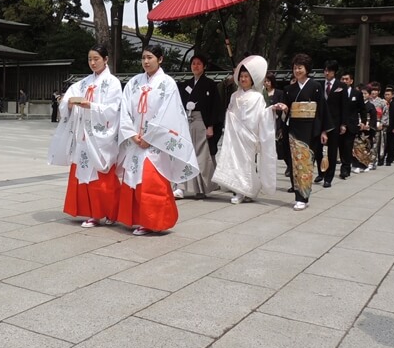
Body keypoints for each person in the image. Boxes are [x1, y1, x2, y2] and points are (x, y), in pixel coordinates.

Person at [116, 45, 198, 235]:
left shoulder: (167, 83)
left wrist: (150, 137)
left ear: (160, 59)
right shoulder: (134, 83)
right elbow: (125, 110)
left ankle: (154, 221)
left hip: (156, 143)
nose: (146, 61)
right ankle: (137, 218)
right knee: (133, 179)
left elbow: (167, 114)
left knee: (152, 180)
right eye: (143, 57)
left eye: (150, 57)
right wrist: (131, 134)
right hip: (136, 140)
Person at [48, 45, 122, 228]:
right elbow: (67, 100)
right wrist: (69, 103)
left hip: (100, 137)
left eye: (96, 58)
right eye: (90, 59)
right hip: (83, 136)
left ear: (105, 59)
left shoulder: (112, 83)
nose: (93, 62)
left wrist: (92, 106)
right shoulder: (83, 83)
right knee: (84, 175)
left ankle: (112, 212)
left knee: (104, 176)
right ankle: (93, 213)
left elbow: (114, 110)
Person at [212, 55, 278, 204]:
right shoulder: (234, 95)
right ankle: (241, 191)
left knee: (247, 163)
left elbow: (261, 115)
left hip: (248, 135)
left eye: (246, 76)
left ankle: (247, 190)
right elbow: (230, 112)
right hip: (236, 135)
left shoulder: (258, 97)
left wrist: (271, 110)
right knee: (236, 162)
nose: (243, 79)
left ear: (252, 79)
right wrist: (231, 117)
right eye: (241, 76)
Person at [280, 53, 331, 211]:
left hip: (311, 128)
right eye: (295, 68)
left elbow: (321, 109)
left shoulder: (315, 86)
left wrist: (324, 131)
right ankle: (299, 196)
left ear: (307, 69)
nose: (297, 70)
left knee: (306, 163)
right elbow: (286, 112)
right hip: (294, 128)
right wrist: (283, 109)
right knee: (296, 163)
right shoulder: (289, 89)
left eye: (300, 67)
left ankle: (304, 196)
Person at [175, 52, 222, 199]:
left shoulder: (210, 85)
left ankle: (201, 188)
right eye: (193, 63)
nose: (195, 66)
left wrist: (211, 125)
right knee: (185, 154)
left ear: (204, 67)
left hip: (202, 122)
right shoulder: (186, 84)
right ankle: (181, 187)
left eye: (198, 64)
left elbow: (215, 107)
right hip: (187, 121)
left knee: (201, 156)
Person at [314, 60, 346, 187]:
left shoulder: (341, 86)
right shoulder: (318, 85)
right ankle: (321, 172)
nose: (326, 73)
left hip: (334, 122)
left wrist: (343, 123)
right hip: (319, 121)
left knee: (332, 150)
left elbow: (344, 106)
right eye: (325, 70)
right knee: (318, 150)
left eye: (329, 71)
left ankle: (329, 177)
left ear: (334, 72)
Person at [338, 71, 363, 179]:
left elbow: (362, 109)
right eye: (342, 79)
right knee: (340, 147)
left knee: (348, 147)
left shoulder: (356, 93)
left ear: (351, 81)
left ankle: (345, 169)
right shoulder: (337, 92)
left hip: (352, 124)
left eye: (346, 79)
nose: (344, 81)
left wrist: (363, 121)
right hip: (339, 124)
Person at [264, 71, 288, 169]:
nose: (267, 83)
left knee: (280, 144)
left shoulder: (279, 93)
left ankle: (288, 165)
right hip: (265, 121)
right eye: (265, 81)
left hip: (277, 120)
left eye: (269, 81)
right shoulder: (261, 93)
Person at [351, 84, 376, 173]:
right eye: (362, 93)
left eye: (365, 93)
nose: (363, 95)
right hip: (357, 127)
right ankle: (355, 164)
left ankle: (365, 164)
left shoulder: (371, 106)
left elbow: (373, 118)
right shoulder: (356, 104)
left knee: (365, 147)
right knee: (356, 147)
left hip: (366, 130)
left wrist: (369, 125)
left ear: (369, 95)